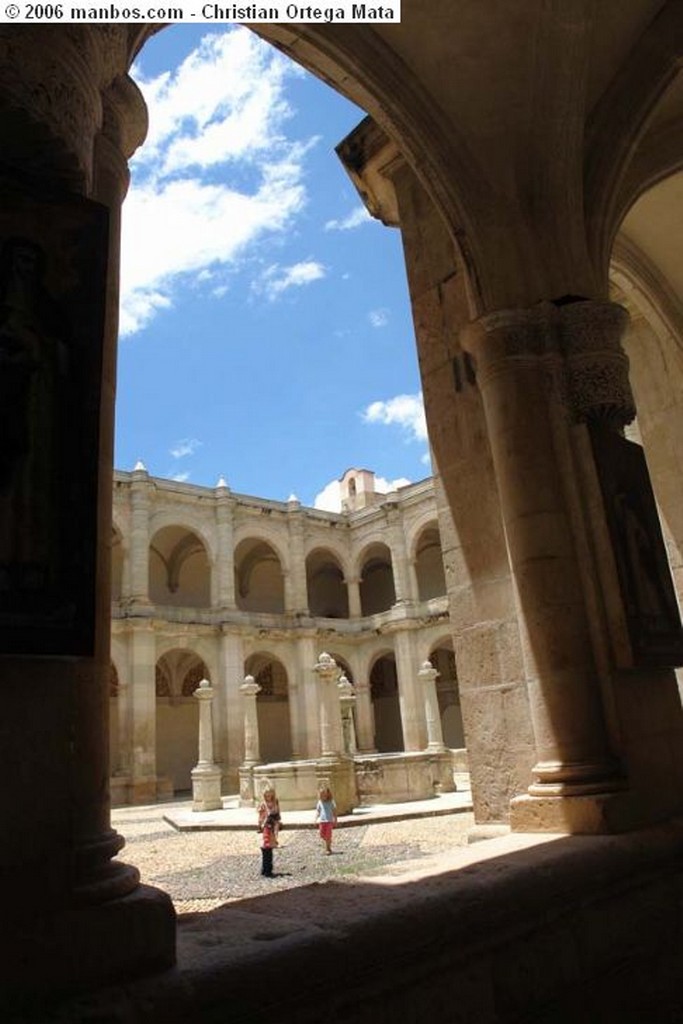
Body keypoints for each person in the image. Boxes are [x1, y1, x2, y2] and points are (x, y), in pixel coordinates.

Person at [315, 784, 337, 855]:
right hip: (322, 821)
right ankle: (328, 841)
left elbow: (334, 811)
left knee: (328, 835)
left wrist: (335, 819)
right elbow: (318, 811)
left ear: (328, 794)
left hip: (329, 821)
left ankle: (328, 848)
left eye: (324, 795)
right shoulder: (320, 802)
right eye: (321, 795)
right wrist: (315, 818)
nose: (323, 797)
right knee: (322, 834)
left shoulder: (331, 802)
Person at [259, 813, 277, 878]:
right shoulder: (268, 828)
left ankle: (264, 870)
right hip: (267, 846)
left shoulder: (266, 827)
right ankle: (267, 872)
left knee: (265, 859)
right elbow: (266, 837)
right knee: (268, 859)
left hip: (265, 846)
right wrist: (268, 843)